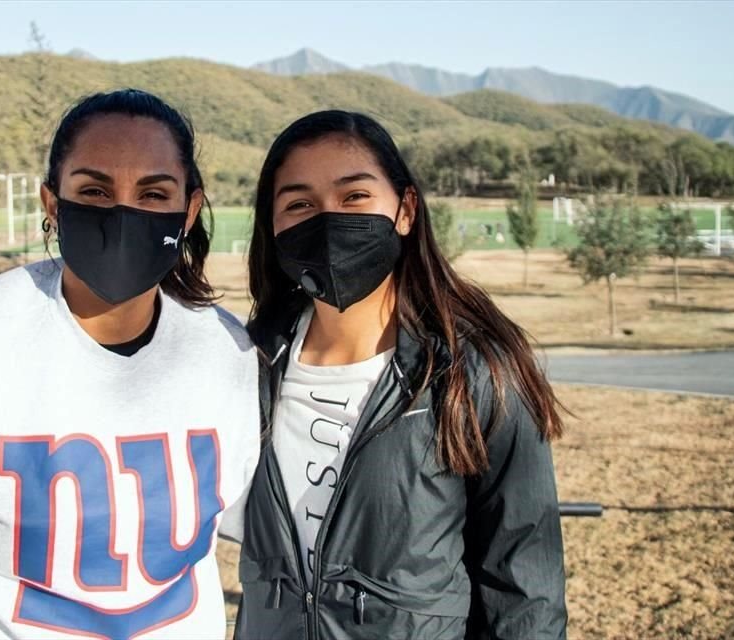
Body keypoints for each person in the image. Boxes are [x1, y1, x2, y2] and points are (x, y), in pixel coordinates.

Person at [0, 89, 260, 640]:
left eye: (153, 192)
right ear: (51, 204)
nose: (122, 213)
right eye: (93, 189)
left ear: (188, 210)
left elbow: (259, 524)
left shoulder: (224, 351)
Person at [236, 110, 567, 639]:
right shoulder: (249, 360)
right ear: (273, 228)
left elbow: (524, 587)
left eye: (355, 197)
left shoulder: (473, 371)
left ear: (406, 209)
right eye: (299, 204)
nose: (328, 220)